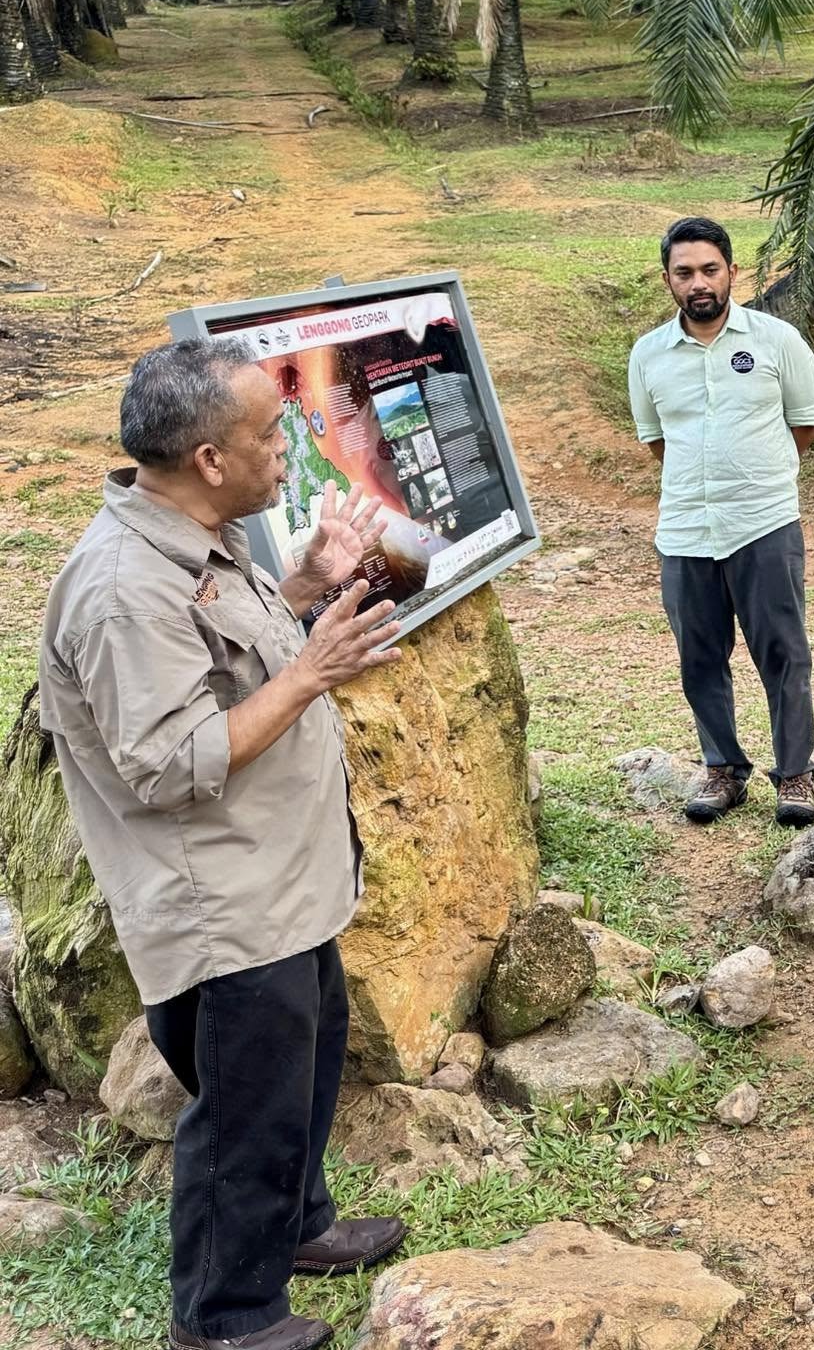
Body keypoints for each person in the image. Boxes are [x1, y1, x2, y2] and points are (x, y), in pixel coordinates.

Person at [38, 340, 409, 1350]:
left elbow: (220, 664)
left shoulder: (199, 535)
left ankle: (295, 1227)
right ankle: (223, 1318)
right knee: (244, 1110)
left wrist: (299, 597)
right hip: (222, 904)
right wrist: (311, 671)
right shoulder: (122, 587)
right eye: (265, 432)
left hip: (280, 881)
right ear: (207, 458)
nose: (288, 445)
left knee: (300, 1070)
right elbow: (165, 762)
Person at [629, 216, 814, 827]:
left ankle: (794, 774)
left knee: (783, 653)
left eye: (709, 269)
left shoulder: (776, 341)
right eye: (684, 273)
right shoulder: (648, 356)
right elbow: (657, 438)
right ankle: (722, 768)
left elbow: (806, 422)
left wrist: (755, 480)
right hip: (686, 529)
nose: (698, 283)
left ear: (732, 272)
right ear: (667, 280)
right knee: (699, 655)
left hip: (763, 523)